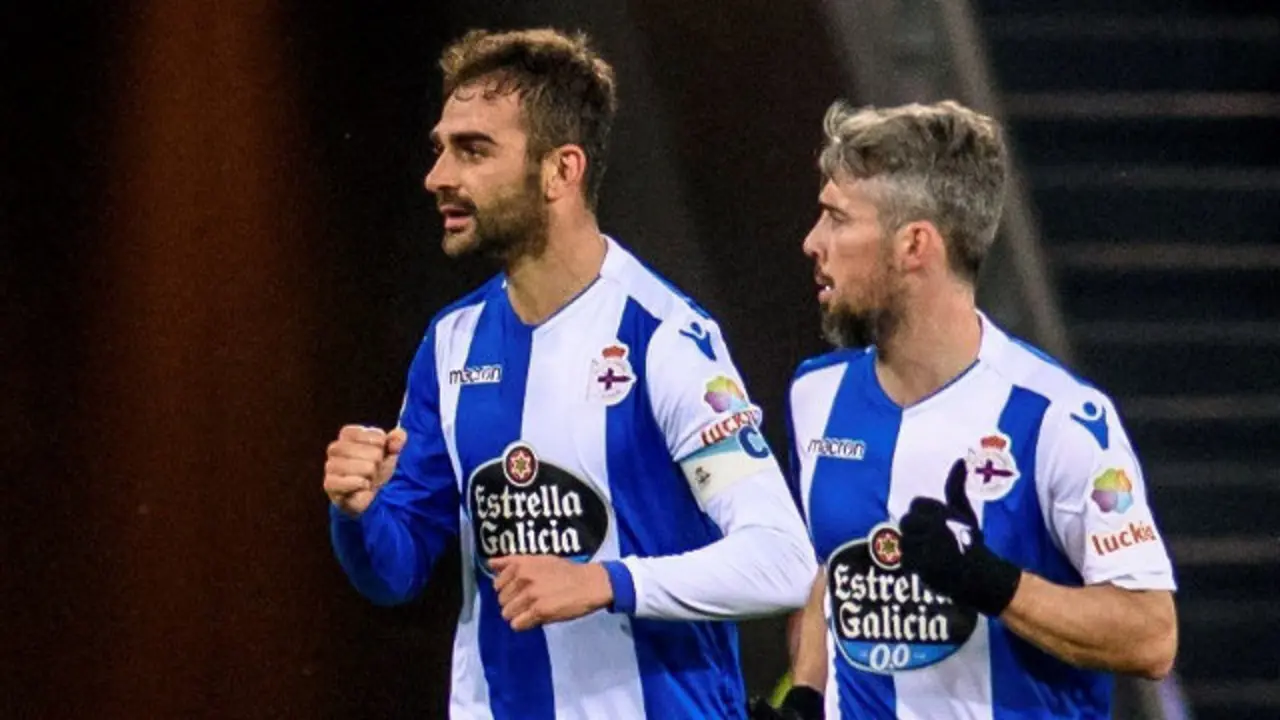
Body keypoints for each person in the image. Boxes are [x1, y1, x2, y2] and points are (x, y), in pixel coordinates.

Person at [322, 28, 815, 719]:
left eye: (473, 150)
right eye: (441, 148)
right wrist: (360, 512)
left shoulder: (663, 338)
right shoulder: (451, 344)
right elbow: (395, 571)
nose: (438, 177)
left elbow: (783, 561)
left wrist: (606, 582)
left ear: (562, 170)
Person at [752, 100, 1178, 719]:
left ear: (915, 244)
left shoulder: (1055, 418)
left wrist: (990, 582)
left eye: (837, 219)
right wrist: (809, 697)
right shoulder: (815, 394)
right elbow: (835, 572)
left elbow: (1151, 634)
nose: (812, 242)